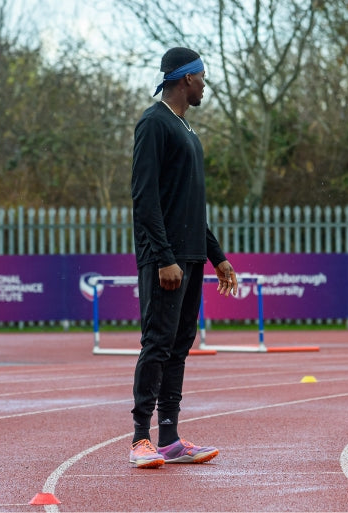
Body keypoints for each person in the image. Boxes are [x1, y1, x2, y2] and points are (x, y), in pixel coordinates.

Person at [129, 47, 238, 468]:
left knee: (179, 345)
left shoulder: (187, 130)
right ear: (186, 78)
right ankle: (140, 439)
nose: (205, 84)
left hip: (190, 257)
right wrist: (162, 257)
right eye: (202, 77)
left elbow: (192, 206)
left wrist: (218, 257)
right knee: (157, 343)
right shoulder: (153, 123)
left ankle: (170, 439)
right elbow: (145, 197)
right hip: (166, 260)